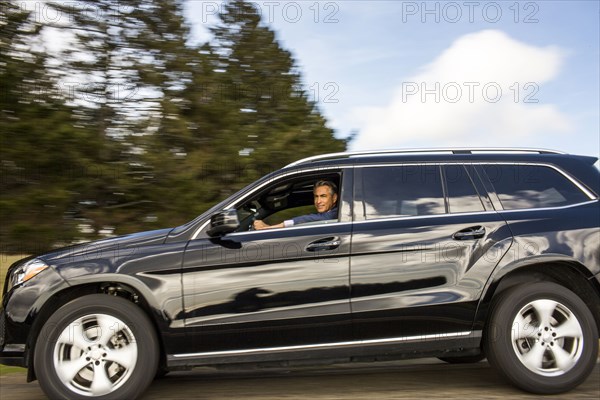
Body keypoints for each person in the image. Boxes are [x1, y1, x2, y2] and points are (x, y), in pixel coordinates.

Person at [253, 180, 338, 230]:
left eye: (323, 196)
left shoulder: (336, 213)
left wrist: (268, 228)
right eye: (316, 196)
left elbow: (308, 219)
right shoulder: (325, 215)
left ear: (334, 198)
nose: (318, 201)